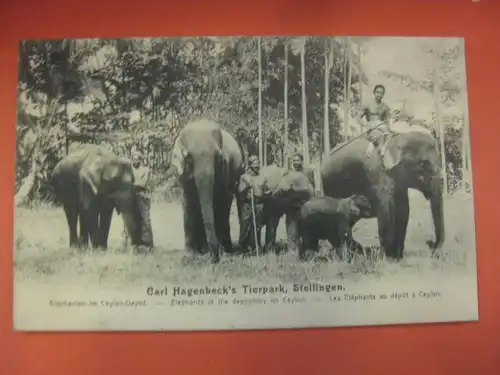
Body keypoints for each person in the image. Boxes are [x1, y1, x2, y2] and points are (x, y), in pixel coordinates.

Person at [357, 84, 394, 163]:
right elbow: (358, 117)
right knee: (379, 136)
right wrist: (365, 125)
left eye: (381, 93)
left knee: (390, 137)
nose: (379, 95)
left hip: (383, 128)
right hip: (372, 128)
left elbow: (387, 121)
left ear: (383, 95)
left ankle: (385, 154)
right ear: (374, 92)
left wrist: (390, 131)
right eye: (377, 92)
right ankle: (371, 147)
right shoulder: (367, 105)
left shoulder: (385, 107)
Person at [237, 155, 264, 254]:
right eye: (255, 164)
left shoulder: (261, 176)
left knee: (257, 227)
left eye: (258, 164)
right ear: (250, 165)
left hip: (259, 204)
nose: (257, 166)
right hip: (248, 204)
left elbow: (263, 189)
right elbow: (240, 191)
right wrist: (247, 186)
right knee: (245, 226)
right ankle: (242, 248)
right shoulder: (244, 177)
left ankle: (255, 247)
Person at [130, 152, 154, 250]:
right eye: (133, 159)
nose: (135, 161)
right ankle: (136, 242)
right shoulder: (130, 170)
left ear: (140, 160)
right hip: (132, 197)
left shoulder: (145, 170)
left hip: (143, 196)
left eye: (137, 159)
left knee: (145, 220)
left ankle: (148, 243)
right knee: (134, 220)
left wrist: (131, 184)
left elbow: (143, 183)